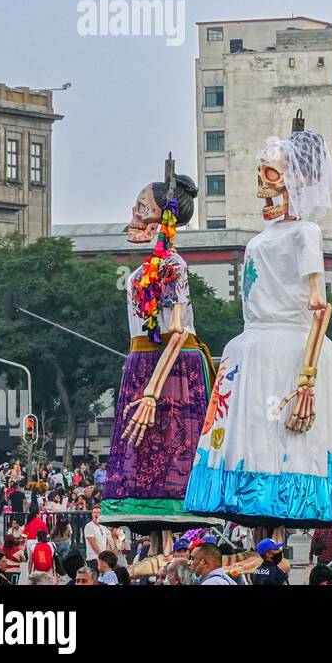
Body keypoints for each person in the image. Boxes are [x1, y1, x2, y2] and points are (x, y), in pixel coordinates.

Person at [184, 128, 332, 528]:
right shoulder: (262, 238)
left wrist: (307, 381)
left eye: (272, 175)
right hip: (255, 346)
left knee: (284, 443)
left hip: (291, 349)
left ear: (295, 179)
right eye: (260, 174)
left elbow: (319, 306)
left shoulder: (306, 232)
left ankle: (281, 533)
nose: (262, 185)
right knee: (255, 442)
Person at [101, 171, 211, 537]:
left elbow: (177, 332)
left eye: (142, 208)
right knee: (146, 451)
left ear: (162, 217)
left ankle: (171, 540)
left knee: (169, 448)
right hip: (143, 360)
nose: (134, 215)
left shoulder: (172, 265)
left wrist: (151, 390)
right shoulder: (145, 270)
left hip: (168, 367)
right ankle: (152, 542)